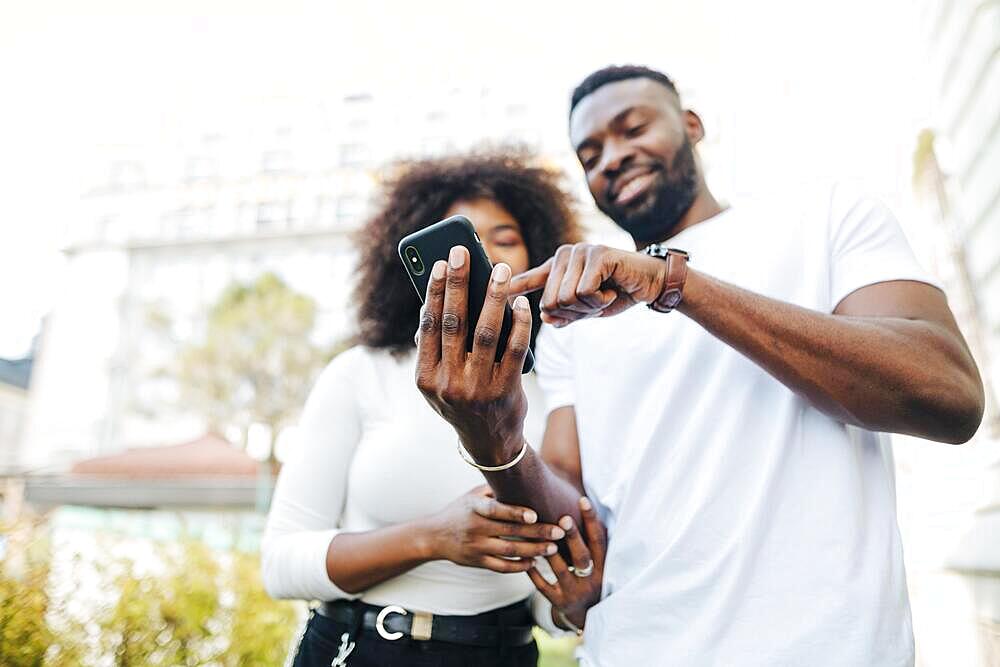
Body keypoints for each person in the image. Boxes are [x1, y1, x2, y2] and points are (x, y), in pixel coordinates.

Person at [413, 65, 985, 666]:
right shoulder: (571, 320)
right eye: (590, 154)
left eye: (632, 128)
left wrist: (674, 282)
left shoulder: (825, 215)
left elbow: (948, 393)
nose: (611, 157)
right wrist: (493, 435)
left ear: (691, 125)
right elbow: (571, 517)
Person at [261, 152, 588, 667]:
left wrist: (572, 607)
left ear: (538, 257)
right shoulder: (362, 373)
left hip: (501, 653)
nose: (486, 259)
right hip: (363, 646)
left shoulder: (561, 391)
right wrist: (434, 538)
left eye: (505, 238)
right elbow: (281, 564)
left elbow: (555, 601)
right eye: (464, 243)